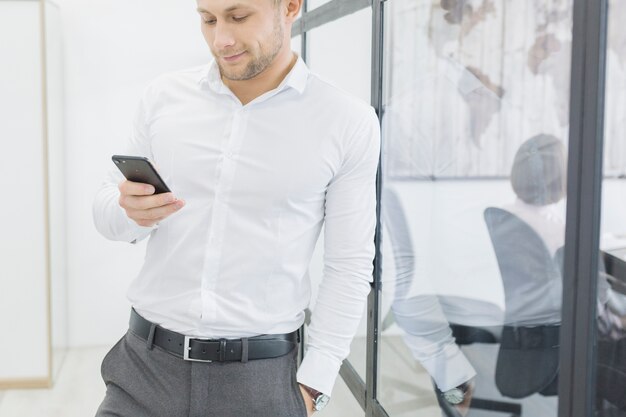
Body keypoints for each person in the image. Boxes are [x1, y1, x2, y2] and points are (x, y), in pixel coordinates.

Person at [91, 0, 380, 415]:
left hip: (259, 382)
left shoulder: (346, 121)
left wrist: (315, 382)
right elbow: (106, 209)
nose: (220, 39)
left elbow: (350, 263)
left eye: (238, 17)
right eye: (207, 20)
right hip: (144, 369)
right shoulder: (163, 98)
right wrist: (128, 211)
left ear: (291, 7)